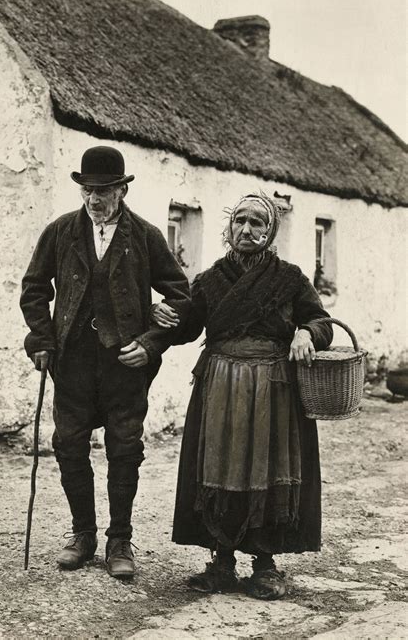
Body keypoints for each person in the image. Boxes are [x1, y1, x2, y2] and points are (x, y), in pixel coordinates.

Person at [152, 193, 333, 599]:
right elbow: (187, 327)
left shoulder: (289, 278)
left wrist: (307, 332)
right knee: (219, 466)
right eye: (240, 221)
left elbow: (320, 321)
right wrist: (164, 317)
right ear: (229, 227)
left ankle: (266, 564)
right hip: (221, 385)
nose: (247, 230)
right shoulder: (212, 280)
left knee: (267, 469)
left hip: (273, 388)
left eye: (257, 223)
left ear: (270, 232)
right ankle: (221, 561)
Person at [20, 146, 190, 578]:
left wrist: (152, 343)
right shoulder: (60, 232)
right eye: (88, 191)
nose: (94, 200)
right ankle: (83, 535)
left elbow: (180, 297)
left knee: (125, 449)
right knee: (69, 445)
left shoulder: (148, 236)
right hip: (72, 362)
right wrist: (41, 338)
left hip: (125, 365)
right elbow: (34, 289)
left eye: (104, 191)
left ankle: (119, 541)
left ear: (121, 190)